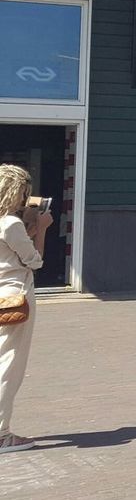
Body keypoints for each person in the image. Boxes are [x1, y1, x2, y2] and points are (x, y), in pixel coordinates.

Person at [0, 164, 50, 453]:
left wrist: (29, 226)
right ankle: (2, 434)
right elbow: (34, 260)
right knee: (9, 365)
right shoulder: (10, 223)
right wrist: (41, 228)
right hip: (14, 299)